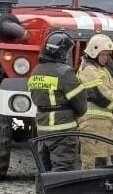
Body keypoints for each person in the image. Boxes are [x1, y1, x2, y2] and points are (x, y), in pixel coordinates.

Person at [28, 30, 87, 174]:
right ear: (61, 53)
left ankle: (42, 189)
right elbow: (81, 106)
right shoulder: (65, 72)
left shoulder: (36, 71)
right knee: (63, 168)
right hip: (63, 131)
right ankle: (58, 190)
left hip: (43, 129)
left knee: (44, 168)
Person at [76, 33, 113, 168]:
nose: (106, 58)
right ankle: (90, 183)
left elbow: (110, 90)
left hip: (105, 124)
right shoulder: (89, 70)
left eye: (107, 55)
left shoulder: (100, 69)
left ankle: (112, 182)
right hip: (93, 124)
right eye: (103, 54)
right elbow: (101, 95)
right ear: (93, 53)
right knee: (95, 163)